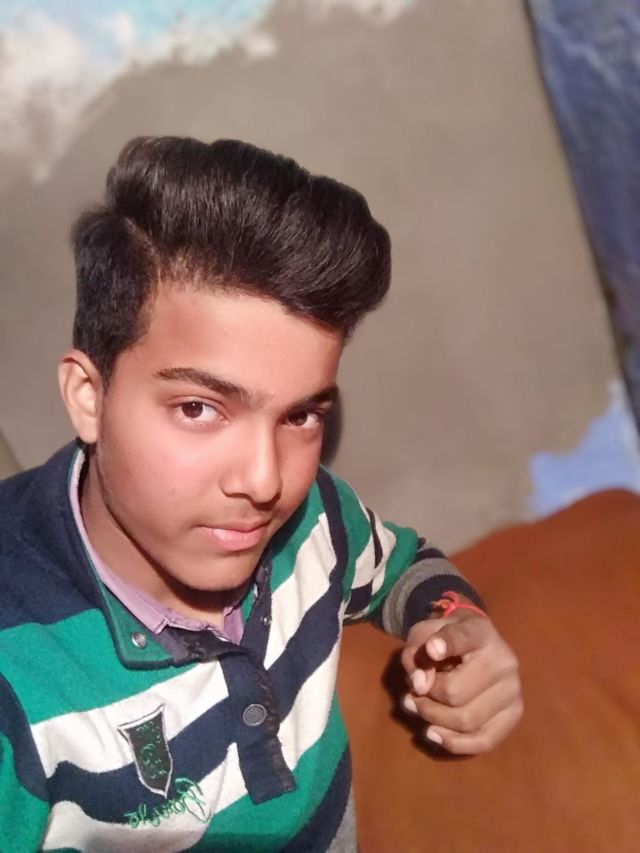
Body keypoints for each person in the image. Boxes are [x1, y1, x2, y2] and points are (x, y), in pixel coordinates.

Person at [0, 136, 522, 851]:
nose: (265, 480)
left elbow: (403, 566)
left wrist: (463, 624)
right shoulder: (15, 676)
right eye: (198, 408)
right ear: (89, 396)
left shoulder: (315, 517)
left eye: (300, 416)